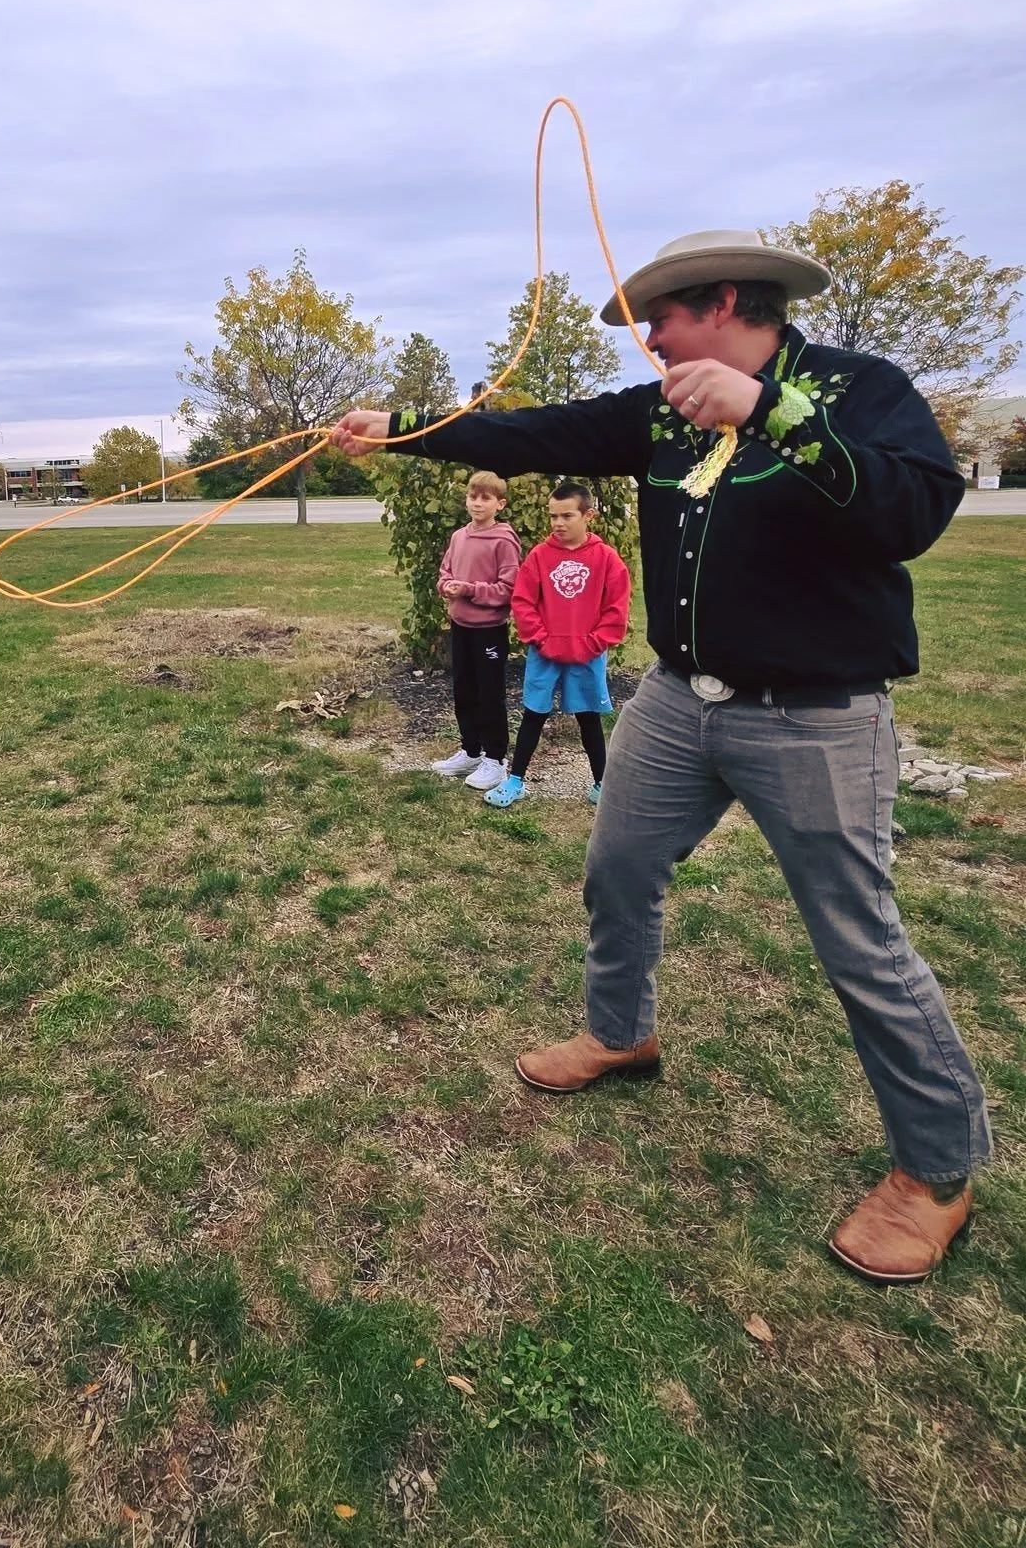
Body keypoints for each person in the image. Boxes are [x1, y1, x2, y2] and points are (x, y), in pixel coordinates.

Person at [333, 229, 989, 1284]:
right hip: (680, 704)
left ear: (725, 303)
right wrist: (403, 429)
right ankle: (621, 1034)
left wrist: (771, 414)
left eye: (662, 319)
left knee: (859, 943)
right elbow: (533, 431)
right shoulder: (658, 413)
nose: (647, 338)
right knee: (618, 868)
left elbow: (913, 511)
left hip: (816, 716)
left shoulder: (860, 389)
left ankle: (938, 1171)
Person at [487, 481, 631, 809]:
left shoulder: (606, 559)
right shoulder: (540, 556)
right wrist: (540, 638)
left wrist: (594, 643)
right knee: (533, 714)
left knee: (588, 717)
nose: (558, 523)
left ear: (588, 515)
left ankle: (601, 784)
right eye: (553, 516)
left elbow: (616, 609)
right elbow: (523, 601)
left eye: (567, 515)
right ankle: (515, 781)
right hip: (545, 652)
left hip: (587, 655)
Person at [430, 470, 522, 791]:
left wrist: (468, 589)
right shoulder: (459, 537)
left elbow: (508, 589)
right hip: (461, 626)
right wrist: (447, 586)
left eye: (485, 498)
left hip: (489, 631)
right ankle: (470, 751)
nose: (477, 503)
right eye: (473, 496)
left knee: (489, 694)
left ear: (500, 504)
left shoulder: (504, 540)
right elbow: (445, 573)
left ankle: (495, 760)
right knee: (464, 690)